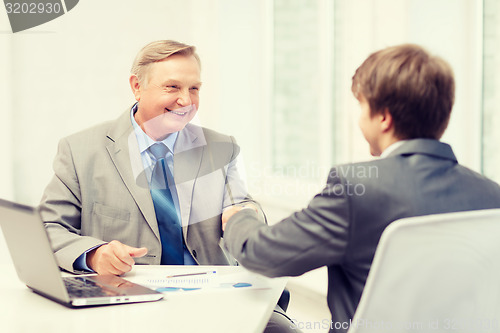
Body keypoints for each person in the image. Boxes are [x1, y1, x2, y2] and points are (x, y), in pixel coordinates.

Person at [221, 44, 500, 333]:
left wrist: (239, 218)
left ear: (383, 118)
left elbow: (264, 255)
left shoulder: (356, 188)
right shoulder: (492, 195)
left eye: (362, 106)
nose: (359, 118)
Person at [39, 40, 296, 332]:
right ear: (137, 86)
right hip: (128, 302)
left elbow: (242, 206)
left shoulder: (221, 147)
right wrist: (94, 253)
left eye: (194, 88)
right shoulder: (80, 150)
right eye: (172, 87)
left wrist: (246, 212)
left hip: (218, 297)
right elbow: (48, 228)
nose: (186, 101)